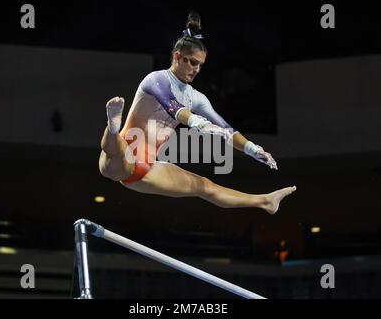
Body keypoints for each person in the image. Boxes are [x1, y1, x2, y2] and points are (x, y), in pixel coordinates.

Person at [99, 11, 296, 214]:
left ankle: (265, 202)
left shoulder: (196, 97)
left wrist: (252, 149)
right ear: (177, 57)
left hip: (148, 168)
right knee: (117, 160)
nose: (196, 69)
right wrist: (199, 123)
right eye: (192, 62)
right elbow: (173, 106)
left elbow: (226, 128)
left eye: (200, 65)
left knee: (205, 186)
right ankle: (113, 126)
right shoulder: (156, 80)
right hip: (122, 154)